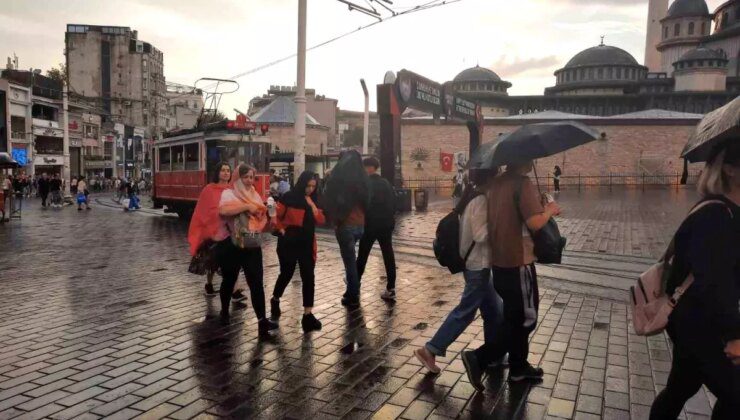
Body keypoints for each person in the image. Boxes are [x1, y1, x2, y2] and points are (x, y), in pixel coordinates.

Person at [650, 141, 740, 420]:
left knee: (680, 387)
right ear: (730, 170)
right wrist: (734, 336)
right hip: (702, 324)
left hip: (695, 323)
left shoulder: (729, 212)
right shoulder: (716, 215)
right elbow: (713, 282)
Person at [462, 160, 561, 388]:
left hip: (500, 262)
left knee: (513, 317)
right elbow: (535, 223)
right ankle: (479, 357)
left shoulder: (496, 184)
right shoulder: (522, 184)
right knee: (527, 319)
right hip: (519, 262)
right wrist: (549, 210)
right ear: (524, 159)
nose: (533, 162)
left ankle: (518, 367)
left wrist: (538, 204)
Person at [414, 169, 504, 382]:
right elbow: (481, 234)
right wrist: (500, 223)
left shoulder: (471, 196)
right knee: (465, 312)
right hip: (478, 266)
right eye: (497, 175)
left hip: (475, 264)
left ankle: (493, 355)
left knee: (494, 310)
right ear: (489, 178)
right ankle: (431, 349)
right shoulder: (481, 200)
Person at [218, 163, 278, 337]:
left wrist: (267, 216)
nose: (249, 181)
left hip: (252, 244)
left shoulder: (255, 195)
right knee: (229, 280)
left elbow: (260, 217)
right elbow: (223, 211)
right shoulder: (229, 193)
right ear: (238, 178)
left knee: (256, 283)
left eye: (252, 177)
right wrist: (246, 207)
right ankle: (223, 311)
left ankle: (262, 321)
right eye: (246, 177)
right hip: (233, 245)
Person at [269, 171, 325, 332]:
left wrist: (313, 206)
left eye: (313, 186)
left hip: (306, 244)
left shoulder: (313, 200)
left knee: (309, 277)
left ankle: (308, 314)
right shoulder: (289, 197)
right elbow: (276, 216)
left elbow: (321, 220)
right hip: (288, 243)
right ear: (302, 183)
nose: (310, 189)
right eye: (308, 185)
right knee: (286, 273)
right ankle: (275, 298)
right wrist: (281, 230)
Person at [187, 162, 247, 302]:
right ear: (218, 173)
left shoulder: (233, 189)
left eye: (228, 170)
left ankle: (235, 290)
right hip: (213, 231)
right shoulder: (209, 189)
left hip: (230, 231)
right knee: (211, 263)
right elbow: (203, 209)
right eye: (223, 170)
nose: (226, 173)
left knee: (233, 261)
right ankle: (209, 284)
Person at [324, 151, 370, 308]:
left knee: (349, 261)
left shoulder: (338, 179)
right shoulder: (363, 179)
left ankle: (352, 293)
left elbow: (328, 199)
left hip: (345, 225)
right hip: (360, 225)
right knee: (352, 259)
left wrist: (337, 220)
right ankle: (353, 288)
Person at [356, 157, 398, 301]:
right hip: (386, 224)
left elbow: (362, 204)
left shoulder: (366, 184)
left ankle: (355, 284)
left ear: (369, 168)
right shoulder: (386, 183)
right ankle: (391, 287)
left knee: (363, 254)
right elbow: (394, 202)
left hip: (370, 224)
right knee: (388, 255)